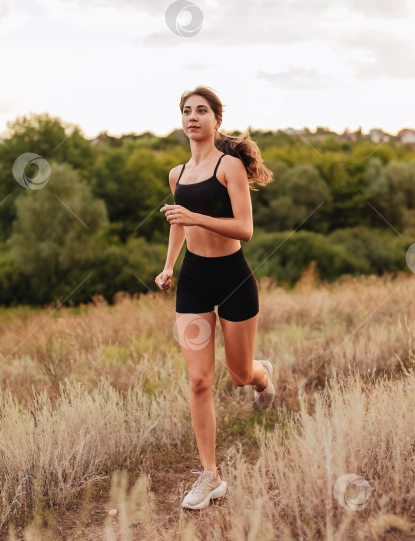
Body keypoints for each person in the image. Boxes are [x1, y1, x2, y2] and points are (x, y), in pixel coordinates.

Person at [154, 86, 275, 510]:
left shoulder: (230, 168)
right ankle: (210, 476)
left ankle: (263, 376)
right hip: (194, 281)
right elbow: (178, 223)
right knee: (199, 380)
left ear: (216, 121)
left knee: (240, 374)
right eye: (186, 111)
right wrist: (169, 265)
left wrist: (193, 217)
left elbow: (244, 228)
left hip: (233, 277)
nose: (193, 117)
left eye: (201, 110)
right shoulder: (177, 175)